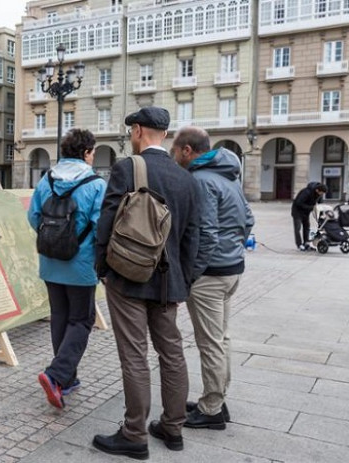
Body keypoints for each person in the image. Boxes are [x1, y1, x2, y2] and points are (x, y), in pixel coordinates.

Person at [93, 107, 200, 459]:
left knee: (134, 354)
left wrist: (102, 268)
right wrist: (184, 281)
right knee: (172, 353)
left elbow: (107, 221)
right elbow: (192, 237)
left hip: (127, 276)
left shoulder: (128, 168)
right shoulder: (187, 177)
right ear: (165, 135)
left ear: (137, 131)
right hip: (170, 284)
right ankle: (173, 428)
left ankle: (134, 434)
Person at [171, 126, 255, 430]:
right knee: (221, 338)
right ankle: (216, 398)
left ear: (187, 151)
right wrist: (233, 249)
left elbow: (204, 233)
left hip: (210, 274)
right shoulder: (228, 176)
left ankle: (211, 409)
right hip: (231, 270)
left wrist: (191, 274)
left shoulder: (201, 180)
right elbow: (248, 220)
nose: (174, 156)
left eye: (176, 150)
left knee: (210, 342)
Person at [27, 128, 106, 409]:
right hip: (80, 264)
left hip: (50, 263)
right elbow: (101, 226)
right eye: (93, 151)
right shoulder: (96, 184)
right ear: (86, 152)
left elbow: (33, 216)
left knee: (59, 317)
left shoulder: (45, 180)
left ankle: (66, 379)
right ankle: (56, 374)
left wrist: (55, 240)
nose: (93, 156)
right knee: (82, 320)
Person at [292, 182, 327, 251]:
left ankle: (306, 243)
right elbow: (298, 203)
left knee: (306, 227)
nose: (322, 195)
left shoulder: (318, 195)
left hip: (306, 212)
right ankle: (299, 245)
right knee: (297, 228)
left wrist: (322, 214)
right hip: (297, 211)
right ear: (317, 190)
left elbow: (320, 205)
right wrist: (311, 207)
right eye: (321, 193)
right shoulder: (306, 192)